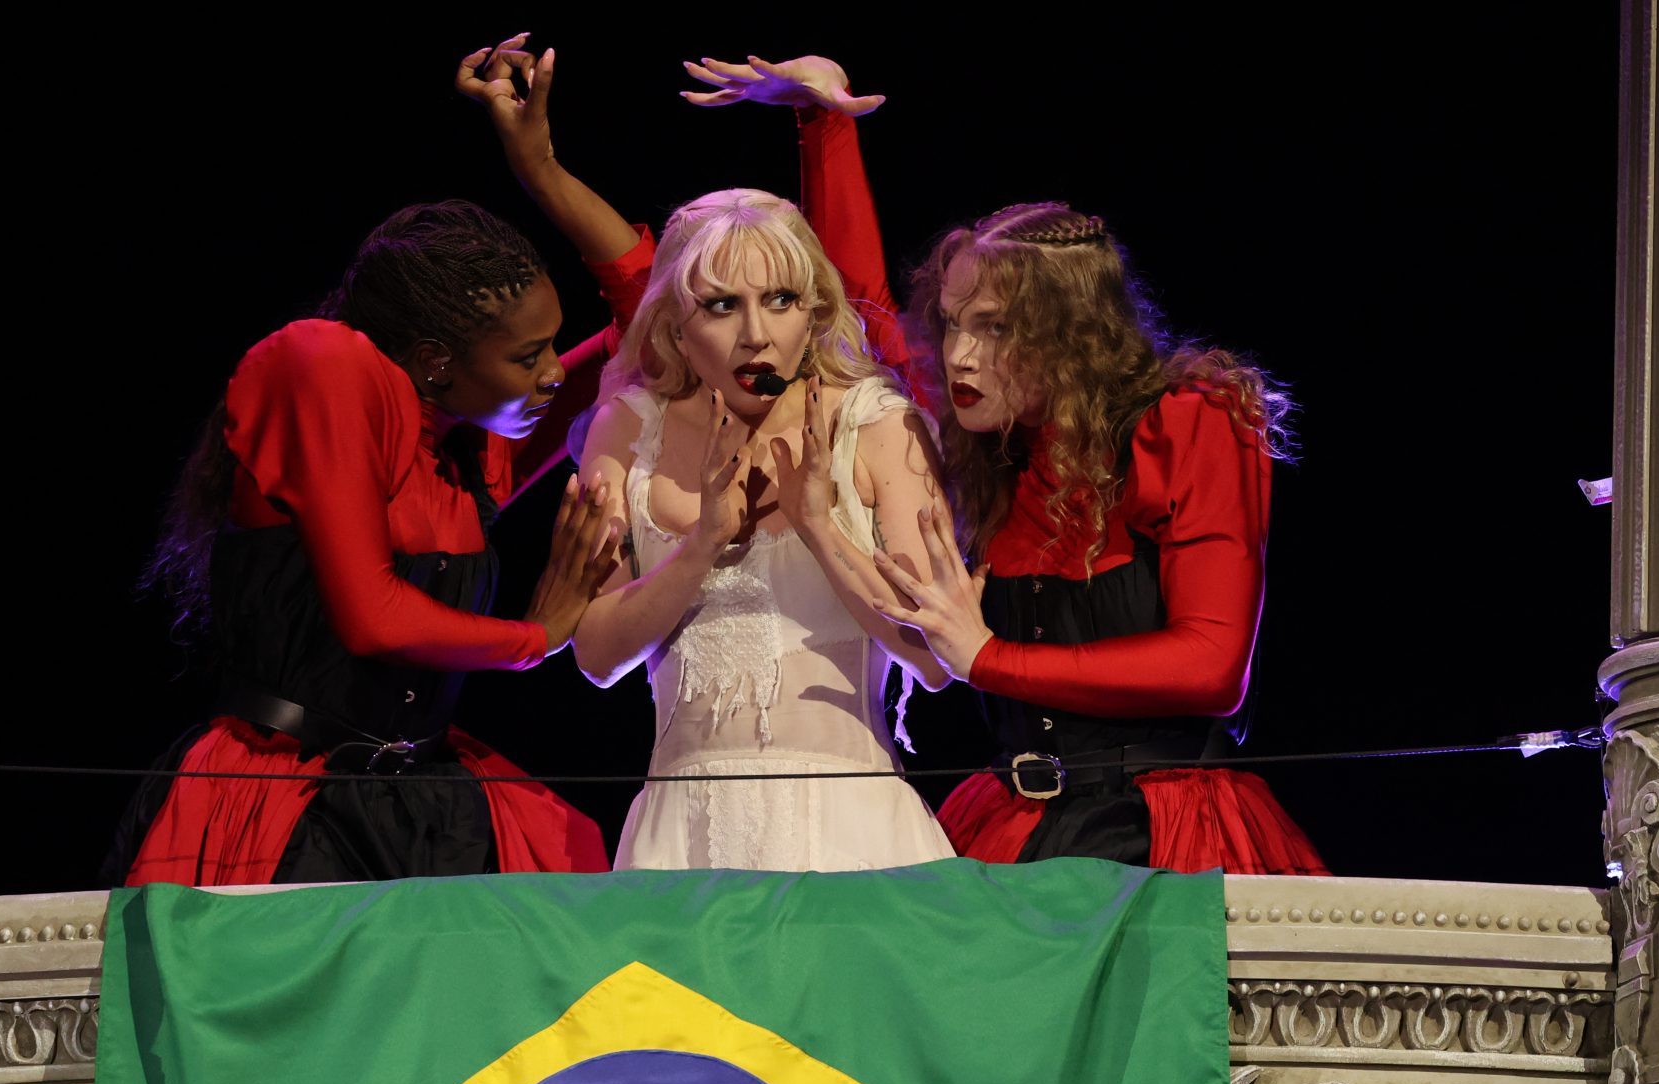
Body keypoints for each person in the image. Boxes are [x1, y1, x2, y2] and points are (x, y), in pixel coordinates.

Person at [112, 39, 653, 887]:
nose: (554, 372)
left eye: (552, 348)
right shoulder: (322, 367)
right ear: (435, 360)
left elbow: (652, 314)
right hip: (290, 808)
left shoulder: (471, 450)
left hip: (426, 800)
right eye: (528, 356)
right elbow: (372, 616)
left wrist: (539, 167)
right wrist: (535, 637)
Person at [478, 49, 953, 872]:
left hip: (853, 830)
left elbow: (935, 660)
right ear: (673, 324)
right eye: (723, 306)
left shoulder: (875, 422)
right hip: (681, 832)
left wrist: (819, 528)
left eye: (780, 301)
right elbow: (595, 657)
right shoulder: (628, 426)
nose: (756, 335)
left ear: (815, 310)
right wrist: (700, 546)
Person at [863, 203, 1330, 874]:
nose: (959, 354)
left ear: (1071, 330)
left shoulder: (1186, 423)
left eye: (995, 327)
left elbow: (1213, 666)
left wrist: (989, 659)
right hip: (1015, 821)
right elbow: (858, 315)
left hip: (1164, 831)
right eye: (952, 322)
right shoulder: (996, 456)